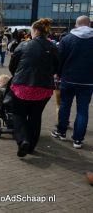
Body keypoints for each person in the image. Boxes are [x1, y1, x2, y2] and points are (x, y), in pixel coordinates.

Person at [8, 18, 59, 157]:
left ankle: (23, 140)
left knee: (19, 114)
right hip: (44, 88)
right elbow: (57, 68)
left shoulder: (24, 45)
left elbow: (12, 66)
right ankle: (31, 147)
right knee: (35, 117)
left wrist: (17, 75)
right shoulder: (53, 47)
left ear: (35, 30)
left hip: (22, 86)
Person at [51, 15, 93, 149]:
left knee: (65, 105)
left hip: (68, 79)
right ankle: (78, 140)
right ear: (90, 25)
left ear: (76, 25)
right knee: (83, 110)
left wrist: (58, 73)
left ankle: (61, 132)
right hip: (88, 82)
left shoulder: (67, 39)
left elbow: (59, 59)